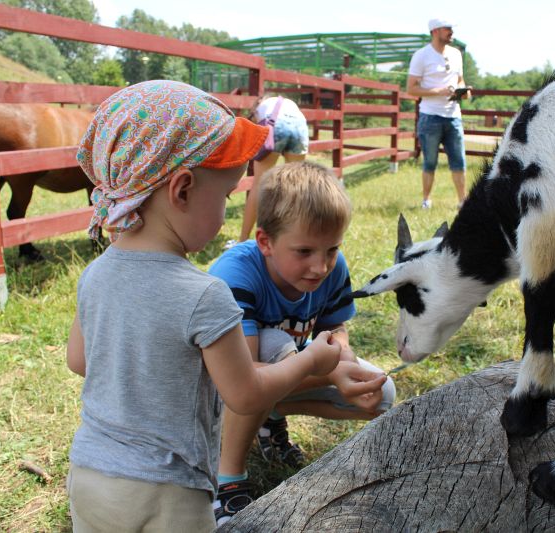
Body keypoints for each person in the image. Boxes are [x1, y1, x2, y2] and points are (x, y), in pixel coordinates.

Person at [65, 80, 344, 532]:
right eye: (227, 196)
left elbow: (79, 361)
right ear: (182, 190)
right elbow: (247, 394)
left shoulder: (95, 272)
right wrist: (312, 360)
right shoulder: (204, 293)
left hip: (90, 476)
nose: (228, 211)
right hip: (168, 490)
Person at [208, 161, 395, 524]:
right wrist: (330, 374)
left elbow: (336, 327)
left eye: (331, 250)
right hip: (222, 386)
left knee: (382, 397)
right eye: (305, 251)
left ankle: (270, 414)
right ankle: (226, 480)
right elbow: (243, 375)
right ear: (265, 241)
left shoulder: (331, 269)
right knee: (272, 342)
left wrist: (345, 361)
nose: (321, 267)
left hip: (279, 371)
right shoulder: (235, 275)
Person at [407, 17, 472, 209]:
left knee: (459, 160)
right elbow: (411, 89)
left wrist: (463, 90)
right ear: (435, 31)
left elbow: (460, 79)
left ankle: (462, 202)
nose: (451, 32)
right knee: (430, 161)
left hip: (453, 116)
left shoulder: (456, 54)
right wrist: (437, 92)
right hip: (430, 116)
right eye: (447, 29)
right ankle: (426, 200)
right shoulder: (421, 56)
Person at [239, 95, 309, 241]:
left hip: (278, 124)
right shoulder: (287, 102)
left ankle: (243, 239)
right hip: (300, 125)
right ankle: (298, 237)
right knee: (298, 185)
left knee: (259, 184)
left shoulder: (259, 109)